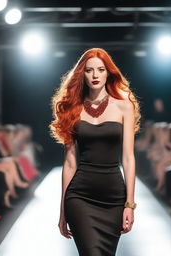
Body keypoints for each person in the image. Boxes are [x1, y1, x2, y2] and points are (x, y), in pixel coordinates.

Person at [49, 48, 141, 255]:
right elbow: (70, 162)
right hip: (80, 196)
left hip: (113, 197)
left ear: (108, 72)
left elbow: (128, 158)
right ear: (82, 74)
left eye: (100, 69)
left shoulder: (124, 107)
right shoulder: (72, 108)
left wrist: (130, 204)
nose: (95, 75)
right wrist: (63, 209)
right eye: (89, 70)